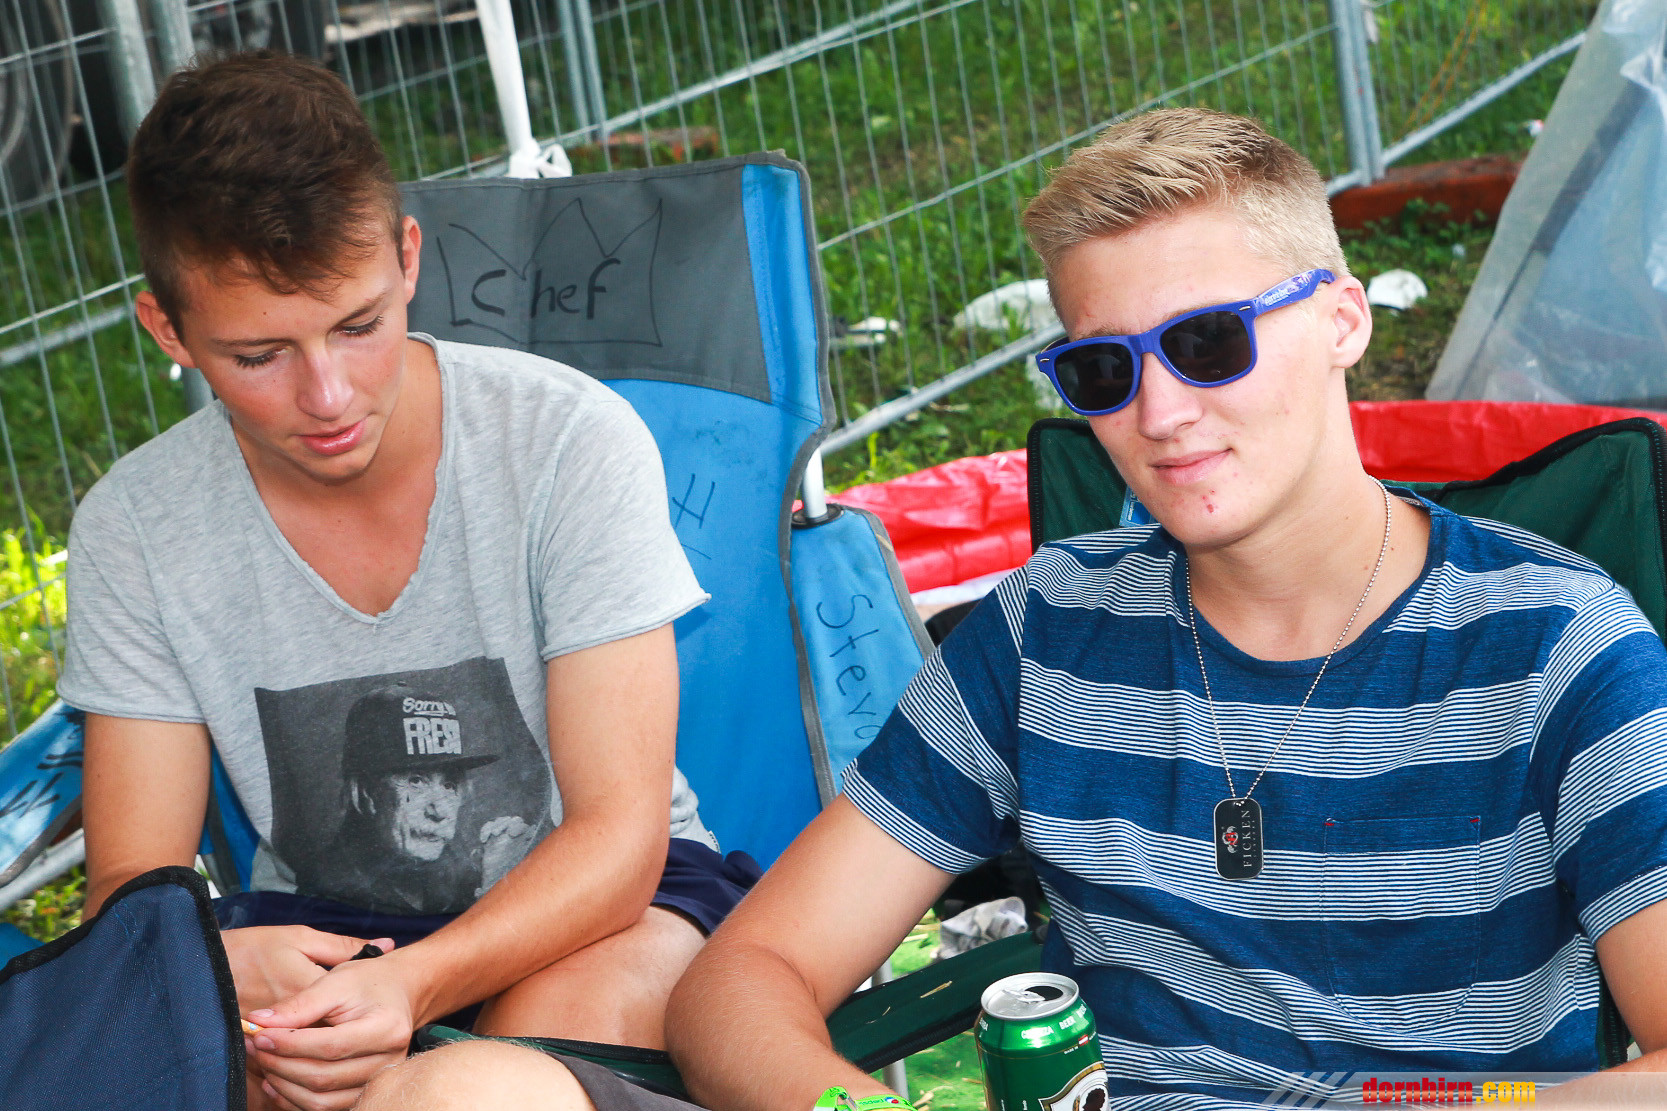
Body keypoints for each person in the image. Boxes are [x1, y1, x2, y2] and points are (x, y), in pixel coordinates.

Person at [362, 107, 1667, 1109]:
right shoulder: (1046, 629)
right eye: (1103, 369)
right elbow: (741, 980)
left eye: (1207, 342)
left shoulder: (1559, 645)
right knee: (460, 1091)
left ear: (1337, 320)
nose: (1159, 412)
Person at [61, 50, 759, 1111]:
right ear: (170, 330)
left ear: (407, 258)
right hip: (318, 939)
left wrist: (413, 986)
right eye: (259, 356)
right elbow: (131, 890)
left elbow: (619, 843)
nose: (328, 395)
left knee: (487, 1080)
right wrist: (214, 959)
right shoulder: (136, 527)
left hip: (609, 909)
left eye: (358, 326)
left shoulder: (565, 441)